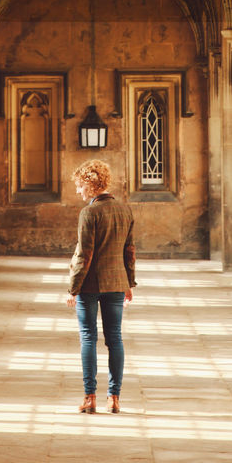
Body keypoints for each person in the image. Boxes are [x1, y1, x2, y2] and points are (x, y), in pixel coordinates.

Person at [66, 159, 136, 414]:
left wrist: (73, 288)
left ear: (90, 184)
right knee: (115, 338)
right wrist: (129, 282)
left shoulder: (89, 213)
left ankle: (89, 397)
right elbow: (130, 251)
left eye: (79, 185)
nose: (78, 191)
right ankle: (114, 398)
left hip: (90, 284)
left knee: (88, 337)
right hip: (116, 282)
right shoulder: (125, 210)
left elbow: (85, 254)